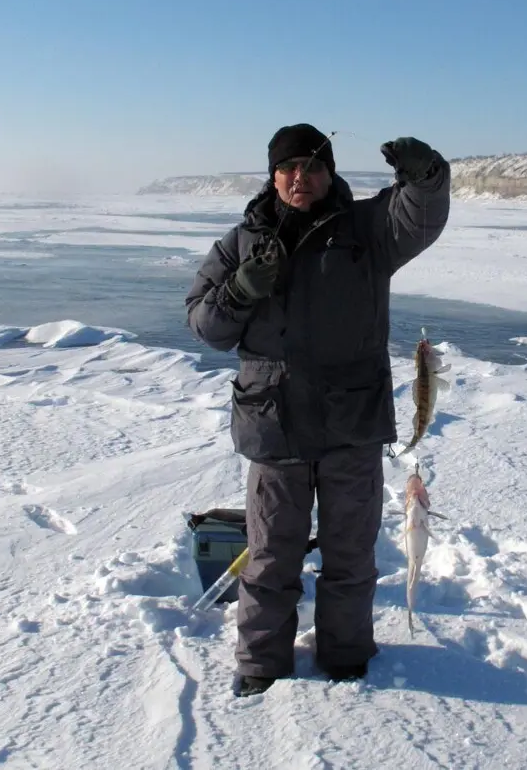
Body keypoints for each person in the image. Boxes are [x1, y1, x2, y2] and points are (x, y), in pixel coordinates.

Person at [185, 123, 451, 697]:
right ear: (273, 174)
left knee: (351, 551)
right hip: (273, 420)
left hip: (350, 421)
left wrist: (427, 176)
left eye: (311, 166)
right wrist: (239, 291)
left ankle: (347, 653)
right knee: (270, 554)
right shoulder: (240, 242)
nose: (299, 178)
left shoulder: (366, 230)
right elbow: (205, 325)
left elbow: (419, 216)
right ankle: (260, 662)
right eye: (288, 168)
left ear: (330, 173)